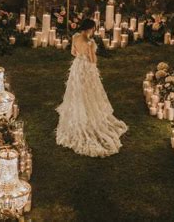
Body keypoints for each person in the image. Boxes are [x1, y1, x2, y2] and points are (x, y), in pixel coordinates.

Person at [55, 18, 128, 157]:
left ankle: (79, 111)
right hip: (87, 70)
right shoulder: (90, 42)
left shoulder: (75, 37)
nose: (94, 31)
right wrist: (89, 54)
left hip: (77, 67)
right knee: (89, 92)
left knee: (77, 91)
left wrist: (80, 57)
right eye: (93, 28)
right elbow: (93, 60)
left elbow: (72, 52)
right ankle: (90, 114)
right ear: (90, 29)